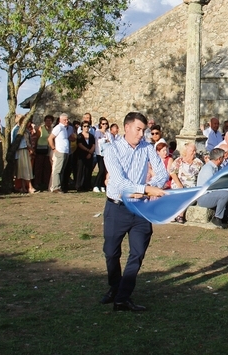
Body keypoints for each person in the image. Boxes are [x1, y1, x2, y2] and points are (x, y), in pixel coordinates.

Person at [101, 111, 168, 312]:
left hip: (140, 209)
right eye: (138, 129)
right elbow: (120, 182)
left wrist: (147, 186)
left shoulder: (147, 148)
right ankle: (115, 287)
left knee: (137, 253)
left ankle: (122, 297)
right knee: (111, 252)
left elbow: (162, 172)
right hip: (117, 207)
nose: (141, 134)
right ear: (127, 127)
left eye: (144, 130)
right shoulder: (111, 150)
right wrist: (146, 189)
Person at [195, 148, 228, 229]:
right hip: (204, 197)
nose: (224, 159)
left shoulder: (218, 168)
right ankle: (217, 218)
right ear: (219, 159)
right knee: (225, 194)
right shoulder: (208, 169)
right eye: (223, 157)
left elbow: (223, 182)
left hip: (214, 194)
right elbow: (212, 187)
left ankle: (225, 215)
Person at [48, 114, 73, 193]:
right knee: (57, 170)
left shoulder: (65, 129)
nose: (66, 121)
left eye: (67, 119)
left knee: (62, 170)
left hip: (65, 151)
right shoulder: (58, 127)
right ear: (60, 120)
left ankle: (60, 186)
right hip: (60, 151)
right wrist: (54, 149)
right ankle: (55, 187)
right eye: (64, 120)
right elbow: (50, 138)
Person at [11, 115, 35, 195]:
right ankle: (29, 187)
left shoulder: (26, 130)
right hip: (20, 150)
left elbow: (28, 140)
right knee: (23, 169)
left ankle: (24, 187)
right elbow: (13, 142)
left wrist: (30, 148)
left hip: (26, 150)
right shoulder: (16, 129)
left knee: (27, 168)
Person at [34, 115, 53, 191]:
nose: (48, 122)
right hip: (40, 149)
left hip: (48, 149)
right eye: (47, 120)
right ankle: (37, 183)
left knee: (47, 167)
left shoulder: (52, 129)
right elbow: (37, 138)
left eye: (50, 121)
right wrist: (35, 148)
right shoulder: (41, 128)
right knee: (39, 167)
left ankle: (46, 183)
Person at [75, 121, 96, 192]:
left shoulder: (91, 136)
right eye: (85, 126)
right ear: (82, 127)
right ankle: (79, 186)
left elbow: (93, 145)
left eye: (88, 126)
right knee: (80, 170)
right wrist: (88, 150)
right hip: (81, 155)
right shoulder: (80, 136)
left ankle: (87, 185)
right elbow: (80, 144)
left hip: (89, 155)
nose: (86, 128)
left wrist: (90, 153)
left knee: (88, 170)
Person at [93, 117, 112, 193]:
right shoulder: (97, 132)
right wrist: (105, 140)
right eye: (103, 124)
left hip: (107, 154)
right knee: (101, 170)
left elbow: (111, 142)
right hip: (99, 153)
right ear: (100, 124)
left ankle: (102, 185)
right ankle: (96, 185)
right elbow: (99, 142)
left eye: (106, 123)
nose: (105, 125)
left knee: (105, 170)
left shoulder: (108, 133)